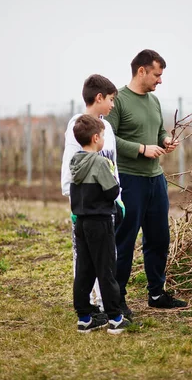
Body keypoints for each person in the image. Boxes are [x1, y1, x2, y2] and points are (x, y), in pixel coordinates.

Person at [106, 49, 188, 319]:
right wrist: (141, 148)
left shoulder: (153, 101)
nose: (160, 80)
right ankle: (117, 299)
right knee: (125, 241)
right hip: (129, 181)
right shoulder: (118, 101)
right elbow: (108, 139)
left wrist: (164, 140)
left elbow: (159, 130)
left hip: (156, 180)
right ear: (141, 71)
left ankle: (156, 294)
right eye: (157, 74)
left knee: (159, 238)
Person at [61, 74, 124, 315]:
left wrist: (119, 197)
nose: (112, 105)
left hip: (109, 202)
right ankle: (90, 306)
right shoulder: (79, 125)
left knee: (108, 256)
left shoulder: (105, 126)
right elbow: (72, 165)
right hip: (88, 207)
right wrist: (73, 200)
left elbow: (112, 165)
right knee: (86, 259)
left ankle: (104, 302)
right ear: (99, 97)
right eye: (110, 99)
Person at [69, 114, 131, 334]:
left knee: (84, 270)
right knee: (106, 269)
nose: (104, 140)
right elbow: (113, 191)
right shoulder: (100, 162)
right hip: (101, 223)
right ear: (96, 138)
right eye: (103, 136)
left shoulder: (75, 161)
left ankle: (84, 317)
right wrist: (112, 176)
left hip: (82, 223)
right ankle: (115, 318)